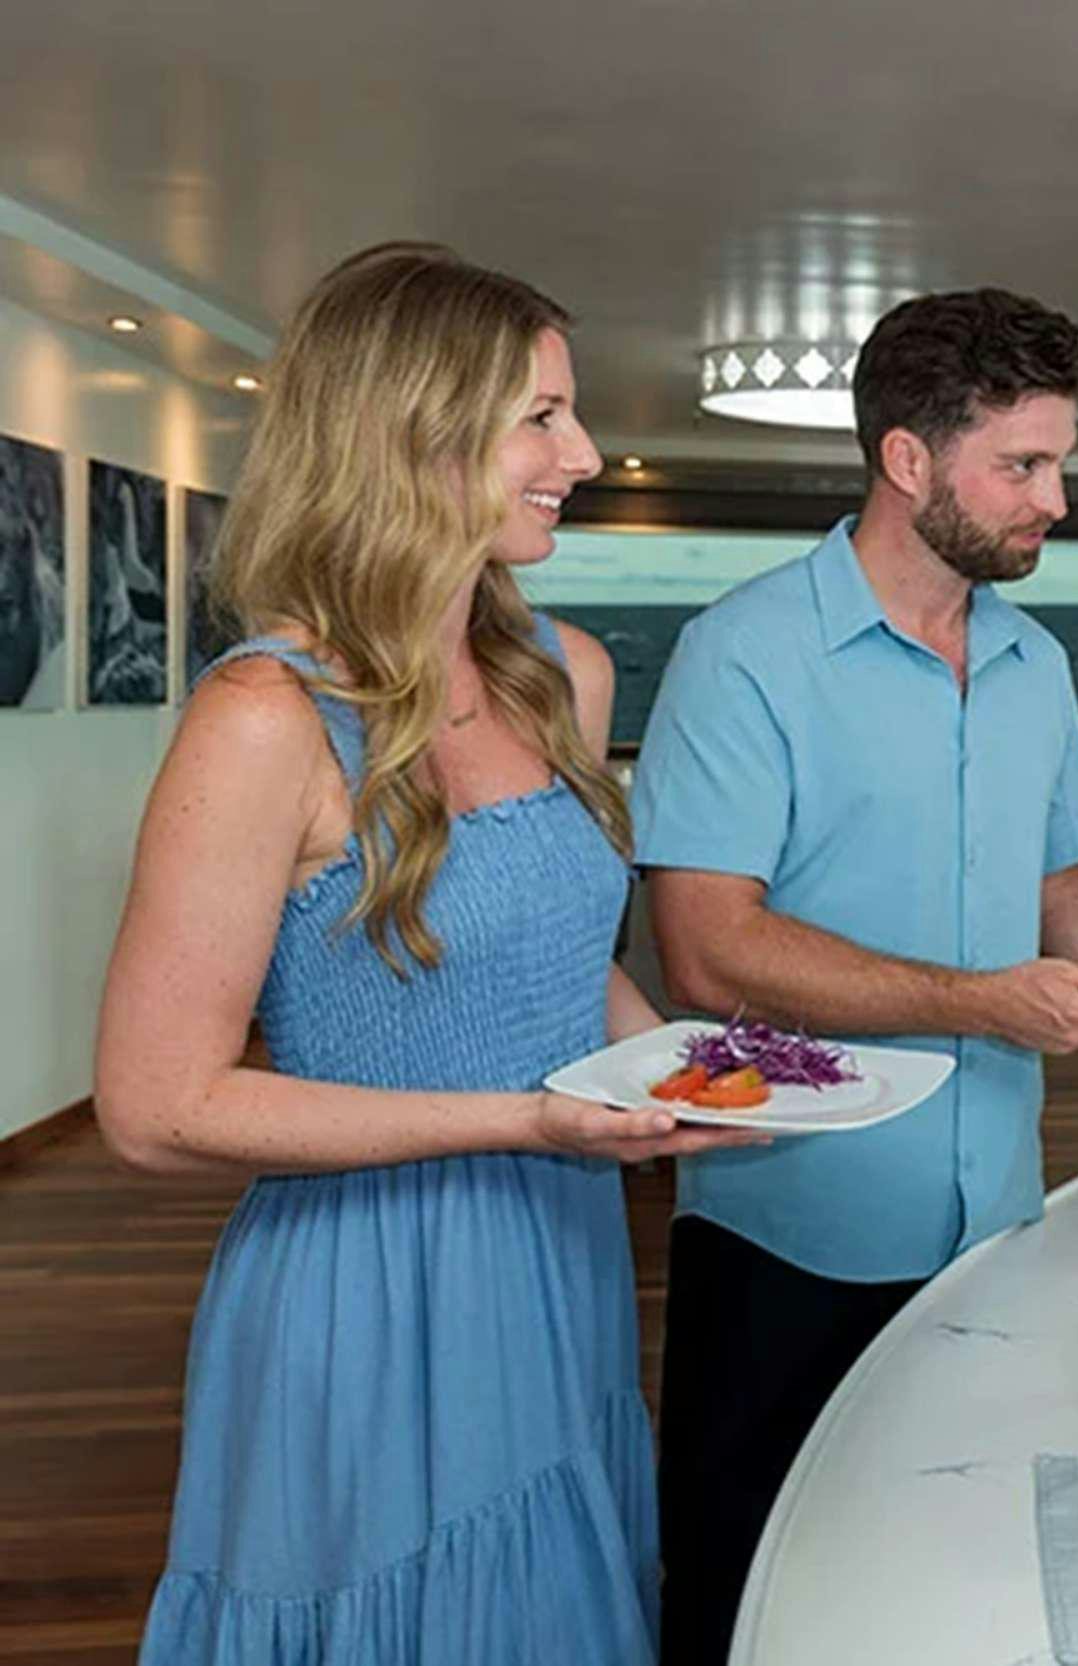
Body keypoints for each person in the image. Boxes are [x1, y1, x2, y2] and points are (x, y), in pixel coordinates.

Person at [92, 242, 764, 1665]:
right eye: (543, 416)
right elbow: (153, 1107)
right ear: (413, 434)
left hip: (560, 1253)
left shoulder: (562, 673)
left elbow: (568, 965)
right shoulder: (265, 720)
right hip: (362, 1290)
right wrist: (523, 1118)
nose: (582, 453)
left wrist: (713, 1083)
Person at [632, 286, 1078, 1663]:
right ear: (908, 461)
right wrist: (978, 999)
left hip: (998, 1228)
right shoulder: (740, 657)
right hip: (785, 1234)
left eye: (1060, 460)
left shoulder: (1036, 662)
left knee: (955, 1588)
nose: (1057, 498)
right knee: (745, 1598)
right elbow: (705, 944)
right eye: (1021, 466)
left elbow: (1058, 896)